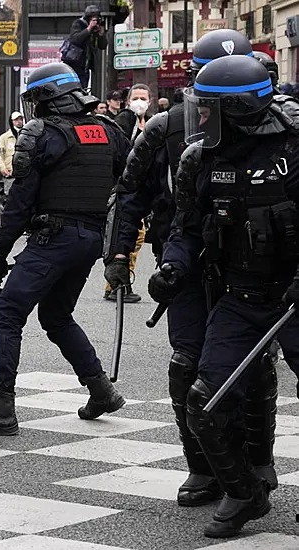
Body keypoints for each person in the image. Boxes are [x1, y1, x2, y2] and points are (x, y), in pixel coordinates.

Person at [103, 29, 276, 510]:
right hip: (187, 262)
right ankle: (203, 466)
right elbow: (129, 193)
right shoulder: (164, 127)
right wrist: (118, 256)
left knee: (254, 367)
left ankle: (258, 461)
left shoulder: (282, 127)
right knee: (187, 366)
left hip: (255, 265)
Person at [148, 54, 299, 539]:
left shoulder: (294, 148)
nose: (200, 117)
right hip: (237, 298)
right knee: (202, 402)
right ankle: (243, 494)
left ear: (237, 107)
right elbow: (186, 229)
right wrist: (173, 266)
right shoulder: (199, 158)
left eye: (209, 108)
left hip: (293, 301)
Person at [0, 62, 131, 436]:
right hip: (90, 239)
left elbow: (19, 203)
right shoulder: (109, 131)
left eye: (36, 98)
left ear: (49, 98)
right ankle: (101, 389)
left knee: (5, 316)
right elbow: (124, 191)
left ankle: (1, 408)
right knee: (56, 316)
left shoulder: (41, 133)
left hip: (54, 238)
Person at [65, 5, 108, 89]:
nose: (95, 22)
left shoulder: (96, 29)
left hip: (86, 65)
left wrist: (101, 35)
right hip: (74, 63)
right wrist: (89, 28)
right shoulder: (78, 23)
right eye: (93, 19)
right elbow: (75, 39)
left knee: (83, 88)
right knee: (74, 87)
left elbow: (102, 46)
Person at [0, 111, 23, 195]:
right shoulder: (4, 138)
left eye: (20, 119)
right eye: (16, 119)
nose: (19, 121)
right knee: (9, 197)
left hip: (24, 174)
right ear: (11, 121)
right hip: (10, 175)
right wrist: (2, 168)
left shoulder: (26, 135)